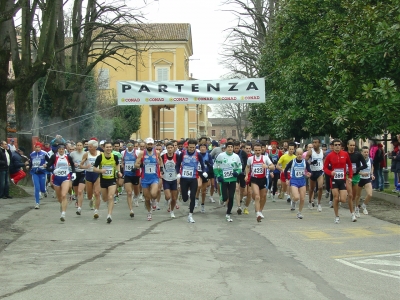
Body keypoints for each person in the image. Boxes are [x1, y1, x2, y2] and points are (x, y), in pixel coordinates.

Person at [175, 139, 208, 223]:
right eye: (190, 147)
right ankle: (183, 194)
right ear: (187, 146)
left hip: (194, 178)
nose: (192, 149)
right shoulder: (183, 154)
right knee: (185, 199)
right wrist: (178, 172)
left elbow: (202, 165)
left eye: (193, 147)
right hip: (184, 178)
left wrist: (204, 172)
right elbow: (178, 164)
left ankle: (190, 215)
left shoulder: (198, 155)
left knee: (193, 196)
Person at [323, 139, 353, 224]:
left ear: (341, 146)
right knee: (336, 197)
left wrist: (350, 177)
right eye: (335, 145)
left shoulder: (345, 154)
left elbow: (350, 166)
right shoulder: (330, 155)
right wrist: (330, 172)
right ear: (332, 146)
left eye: (338, 145)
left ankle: (336, 203)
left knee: (343, 199)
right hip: (334, 180)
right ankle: (336, 216)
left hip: (342, 179)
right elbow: (324, 168)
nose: (337, 146)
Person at [93, 141, 122, 223]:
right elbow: (94, 168)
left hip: (112, 180)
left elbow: (117, 165)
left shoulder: (115, 157)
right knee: (105, 199)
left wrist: (118, 172)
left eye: (110, 147)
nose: (109, 148)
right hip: (103, 180)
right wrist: (100, 170)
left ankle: (109, 215)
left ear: (112, 148)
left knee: (111, 197)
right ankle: (108, 204)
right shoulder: (100, 157)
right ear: (103, 148)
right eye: (107, 147)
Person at [244, 143, 275, 222]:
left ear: (262, 150)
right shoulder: (250, 159)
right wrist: (247, 175)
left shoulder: (265, 158)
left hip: (263, 179)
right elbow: (247, 167)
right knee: (257, 196)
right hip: (254, 179)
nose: (257, 152)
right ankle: (257, 213)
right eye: (256, 150)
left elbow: (273, 167)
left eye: (259, 150)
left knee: (263, 196)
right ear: (253, 151)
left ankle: (260, 211)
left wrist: (267, 167)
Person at [134, 138, 163, 221]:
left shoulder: (157, 153)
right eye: (148, 144)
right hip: (145, 178)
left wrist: (161, 169)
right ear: (146, 145)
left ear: (153, 145)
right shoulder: (142, 153)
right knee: (147, 198)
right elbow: (136, 164)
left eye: (151, 144)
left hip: (154, 177)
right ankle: (149, 212)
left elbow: (160, 161)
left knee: (154, 193)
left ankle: (154, 200)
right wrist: (140, 165)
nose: (150, 146)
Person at [213, 141, 242, 222]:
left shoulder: (236, 156)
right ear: (225, 148)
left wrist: (237, 172)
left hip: (232, 179)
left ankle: (228, 214)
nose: (230, 148)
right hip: (224, 179)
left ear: (233, 148)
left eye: (231, 147)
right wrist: (218, 176)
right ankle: (222, 198)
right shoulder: (221, 156)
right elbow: (215, 166)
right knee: (225, 197)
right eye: (228, 147)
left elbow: (240, 166)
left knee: (231, 197)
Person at [47, 143, 76, 221]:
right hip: (56, 178)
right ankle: (61, 204)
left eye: (62, 149)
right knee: (59, 197)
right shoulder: (54, 157)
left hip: (65, 177)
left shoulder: (68, 157)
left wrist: (73, 173)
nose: (61, 151)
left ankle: (63, 214)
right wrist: (53, 170)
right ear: (58, 150)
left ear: (64, 150)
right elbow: (47, 167)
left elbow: (73, 166)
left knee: (64, 195)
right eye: (60, 149)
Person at [284, 148, 312, 219]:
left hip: (302, 181)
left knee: (302, 199)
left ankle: (299, 213)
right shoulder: (292, 162)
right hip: (294, 180)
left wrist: (309, 174)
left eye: (301, 154)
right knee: (296, 197)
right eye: (298, 154)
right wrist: (286, 179)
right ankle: (293, 201)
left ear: (302, 154)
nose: (299, 155)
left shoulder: (305, 162)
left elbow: (309, 171)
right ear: (296, 154)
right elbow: (285, 170)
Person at [79, 140, 101, 217]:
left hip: (97, 174)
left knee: (97, 192)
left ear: (95, 147)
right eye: (88, 146)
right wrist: (85, 166)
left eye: (90, 147)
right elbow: (80, 165)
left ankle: (96, 211)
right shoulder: (86, 154)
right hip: (88, 174)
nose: (88, 148)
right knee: (89, 195)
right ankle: (91, 199)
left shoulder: (100, 154)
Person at [347, 139, 367, 219]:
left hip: (355, 176)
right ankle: (352, 213)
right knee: (350, 195)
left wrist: (358, 169)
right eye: (351, 145)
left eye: (353, 145)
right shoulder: (345, 154)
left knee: (354, 195)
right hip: (347, 176)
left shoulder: (358, 154)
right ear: (347, 145)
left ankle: (355, 208)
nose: (352, 147)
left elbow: (365, 165)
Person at [121, 141, 141, 217]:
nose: (129, 146)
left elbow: (140, 162)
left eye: (131, 145)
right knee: (129, 192)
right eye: (128, 145)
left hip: (135, 174)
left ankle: (136, 197)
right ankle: (131, 210)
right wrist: (122, 166)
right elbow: (122, 161)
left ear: (134, 146)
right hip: (127, 175)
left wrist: (136, 167)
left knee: (136, 191)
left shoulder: (137, 152)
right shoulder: (123, 153)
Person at [161, 142, 179, 218]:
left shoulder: (177, 156)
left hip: (174, 178)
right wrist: (161, 171)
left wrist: (178, 173)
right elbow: (160, 165)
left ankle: (172, 211)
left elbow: (179, 165)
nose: (170, 149)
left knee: (174, 198)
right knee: (168, 196)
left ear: (173, 148)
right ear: (166, 148)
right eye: (168, 148)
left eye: (171, 148)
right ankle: (167, 200)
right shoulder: (163, 156)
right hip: (166, 179)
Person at [305, 138, 324, 211]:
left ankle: (319, 203)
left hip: (320, 171)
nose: (314, 144)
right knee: (311, 189)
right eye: (313, 142)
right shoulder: (310, 152)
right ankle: (310, 201)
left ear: (319, 143)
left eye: (316, 142)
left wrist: (324, 167)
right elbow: (305, 162)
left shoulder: (322, 152)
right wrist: (311, 163)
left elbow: (324, 160)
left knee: (320, 187)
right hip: (312, 172)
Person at [29, 142, 49, 207]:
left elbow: (49, 161)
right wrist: (28, 166)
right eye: (36, 147)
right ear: (34, 147)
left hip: (42, 172)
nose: (37, 149)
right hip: (35, 173)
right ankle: (37, 203)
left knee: (42, 188)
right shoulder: (32, 154)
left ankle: (45, 191)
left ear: (41, 147)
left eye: (39, 147)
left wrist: (46, 165)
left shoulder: (44, 154)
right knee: (37, 188)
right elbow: (31, 163)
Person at [356, 146, 375, 215]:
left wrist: (372, 174)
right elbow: (356, 171)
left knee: (370, 194)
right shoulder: (358, 160)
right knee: (358, 195)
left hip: (367, 178)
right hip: (360, 178)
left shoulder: (370, 160)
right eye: (365, 152)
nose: (366, 153)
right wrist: (362, 173)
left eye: (367, 152)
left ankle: (364, 205)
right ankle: (357, 209)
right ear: (362, 153)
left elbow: (372, 167)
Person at [69, 141, 86, 215]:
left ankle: (79, 208)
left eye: (80, 145)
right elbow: (69, 162)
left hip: (83, 173)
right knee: (76, 192)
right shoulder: (72, 154)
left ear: (82, 146)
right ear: (76, 146)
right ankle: (77, 199)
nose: (79, 146)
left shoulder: (86, 154)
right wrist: (73, 164)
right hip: (75, 173)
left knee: (80, 191)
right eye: (78, 145)